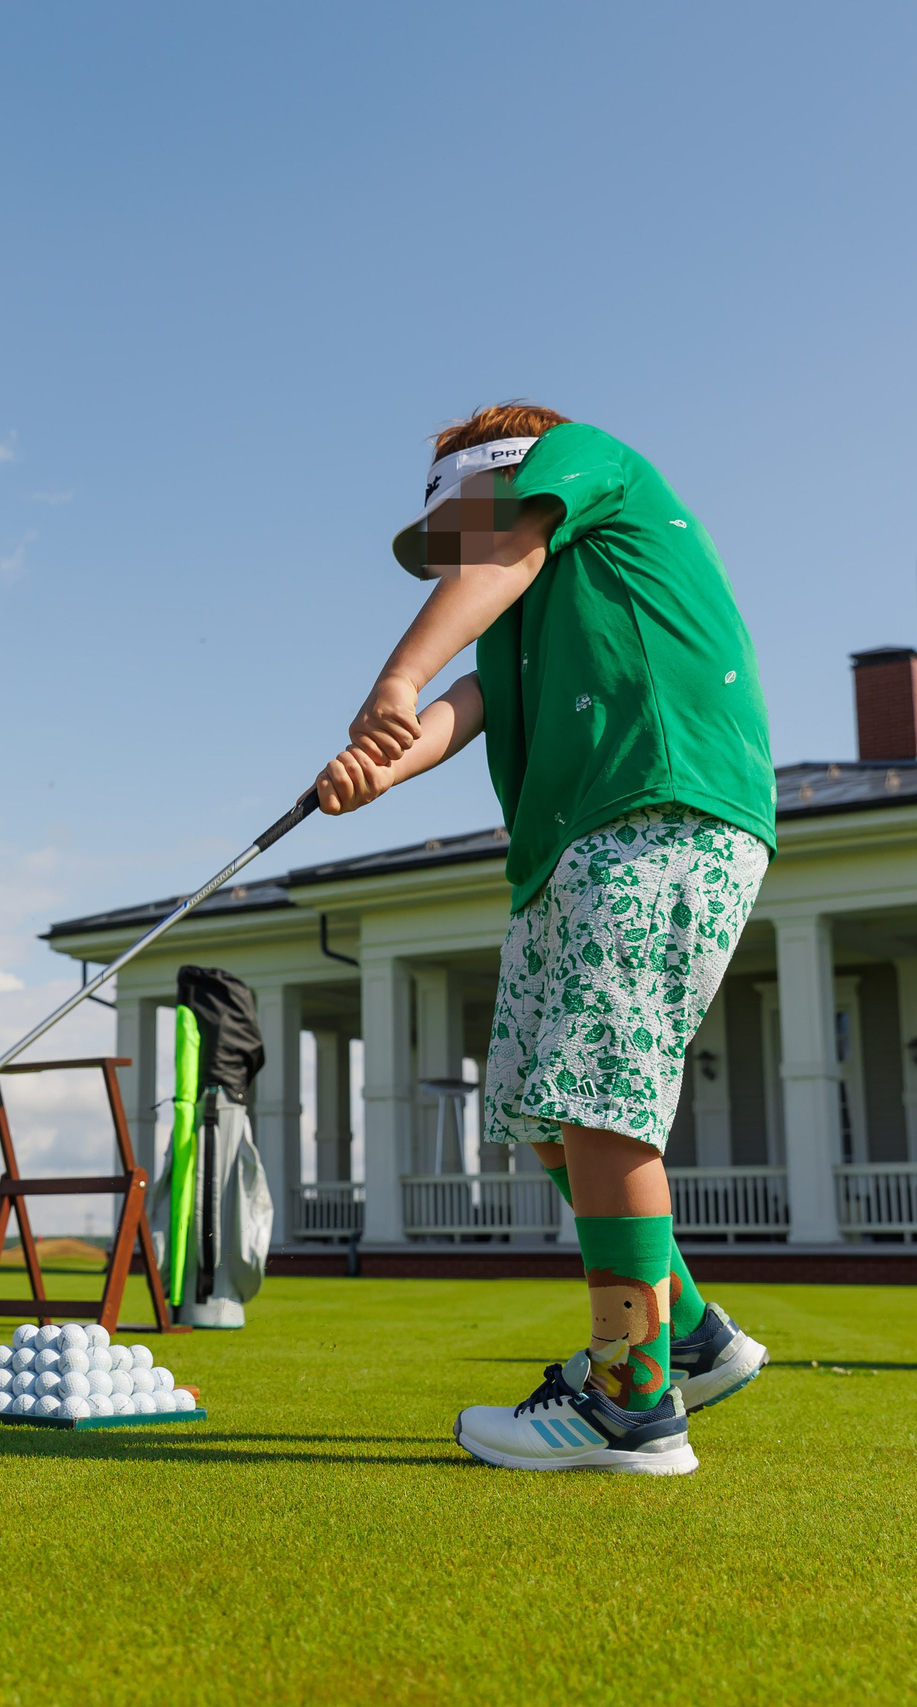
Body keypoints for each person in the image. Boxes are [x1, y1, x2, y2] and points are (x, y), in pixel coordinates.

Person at [316, 403, 776, 1474]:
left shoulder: (587, 464)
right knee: (540, 1111)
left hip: (656, 809)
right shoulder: (522, 615)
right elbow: (469, 704)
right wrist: (382, 762)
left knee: (595, 1102)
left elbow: (511, 552)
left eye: (459, 534)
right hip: (566, 848)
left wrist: (392, 677)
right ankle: (693, 1336)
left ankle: (631, 1404)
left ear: (505, 478)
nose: (457, 561)